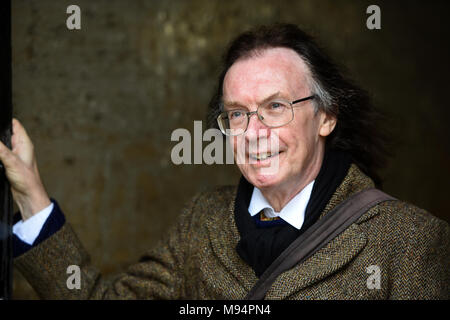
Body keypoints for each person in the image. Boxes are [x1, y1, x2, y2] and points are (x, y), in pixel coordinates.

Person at [0, 24, 448, 300]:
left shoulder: (407, 241)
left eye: (276, 107)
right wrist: (30, 192)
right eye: (237, 114)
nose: (253, 132)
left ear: (325, 116)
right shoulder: (202, 223)